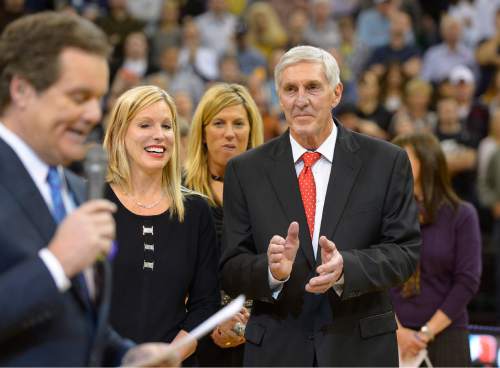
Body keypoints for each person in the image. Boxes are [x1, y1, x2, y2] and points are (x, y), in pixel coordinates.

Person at [220, 45, 421, 366]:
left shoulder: (386, 161)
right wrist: (270, 272)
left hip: (359, 350)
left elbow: (405, 252)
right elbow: (230, 267)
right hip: (278, 351)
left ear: (336, 93)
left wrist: (347, 268)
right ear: (279, 97)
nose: (301, 99)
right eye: (290, 89)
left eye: (312, 87)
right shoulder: (245, 170)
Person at [0, 12, 178, 366]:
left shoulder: (75, 189)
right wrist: (56, 263)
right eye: (78, 96)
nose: (95, 114)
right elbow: (56, 273)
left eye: (97, 98)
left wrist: (126, 354)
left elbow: (76, 319)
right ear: (21, 89)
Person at [103, 85, 220, 365]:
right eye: (145, 124)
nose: (159, 135)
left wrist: (167, 358)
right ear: (120, 132)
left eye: (167, 126)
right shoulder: (91, 202)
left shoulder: (197, 211)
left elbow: (205, 305)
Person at [184, 83, 264, 366]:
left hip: (256, 337)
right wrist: (216, 323)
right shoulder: (179, 192)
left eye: (239, 123)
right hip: (192, 337)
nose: (230, 133)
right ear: (203, 133)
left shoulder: (272, 192)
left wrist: (244, 326)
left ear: (251, 131)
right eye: (219, 123)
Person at [391, 132, 482, 366]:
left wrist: (426, 333)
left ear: (428, 162)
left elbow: (467, 281)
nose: (393, 164)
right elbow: (375, 280)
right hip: (391, 335)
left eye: (402, 158)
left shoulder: (461, 215)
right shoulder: (386, 216)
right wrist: (398, 331)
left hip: (446, 336)